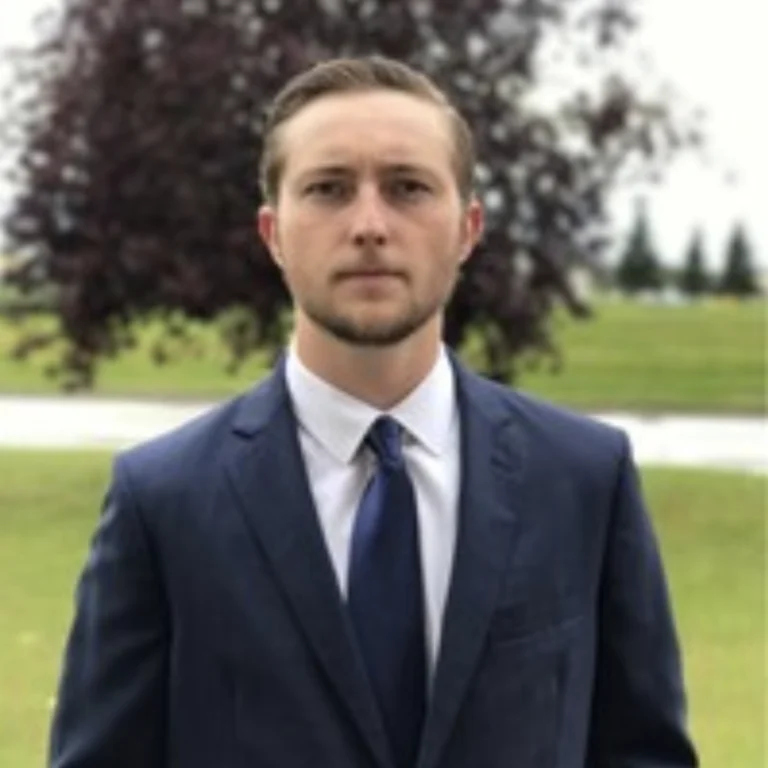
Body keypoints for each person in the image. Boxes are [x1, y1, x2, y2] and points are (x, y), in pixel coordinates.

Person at [49, 55, 698, 768]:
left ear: (467, 229)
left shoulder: (583, 478)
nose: (368, 224)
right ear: (273, 233)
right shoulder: (163, 500)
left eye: (408, 188)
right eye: (328, 189)